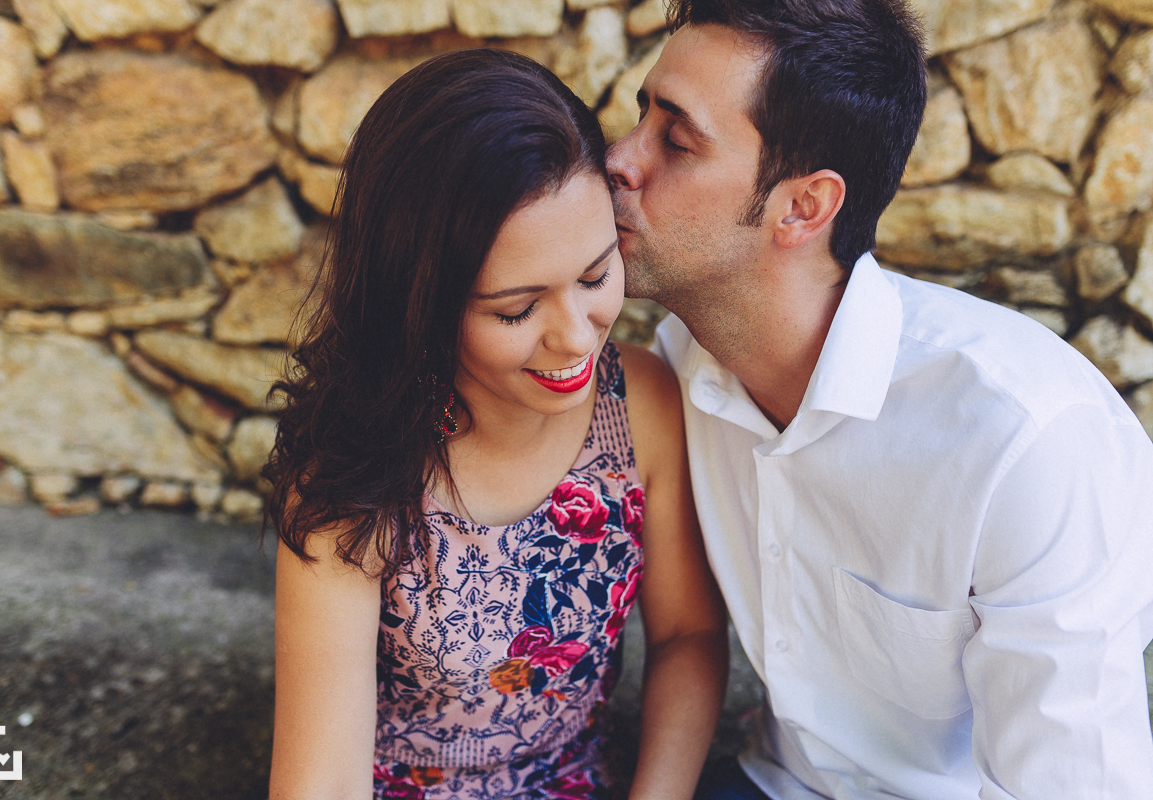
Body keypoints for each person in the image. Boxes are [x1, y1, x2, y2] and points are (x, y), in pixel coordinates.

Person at [606, 0, 1153, 798]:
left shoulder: (1028, 442)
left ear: (803, 207)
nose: (618, 159)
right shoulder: (680, 367)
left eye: (676, 140)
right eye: (640, 118)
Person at [263, 48, 728, 800]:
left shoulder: (639, 406)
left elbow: (688, 637)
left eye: (595, 275)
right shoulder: (350, 480)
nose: (576, 336)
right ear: (424, 304)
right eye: (516, 308)